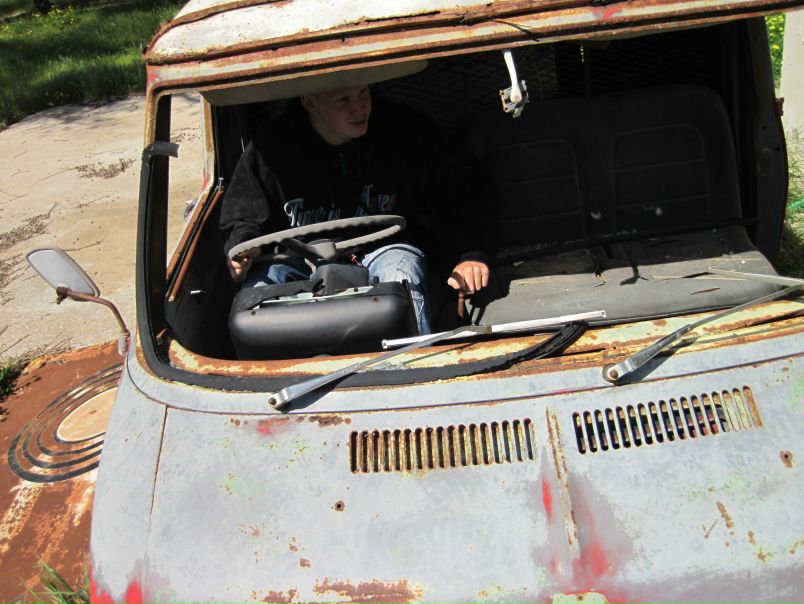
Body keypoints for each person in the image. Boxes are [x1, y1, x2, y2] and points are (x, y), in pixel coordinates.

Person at [219, 84, 490, 334]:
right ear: (310, 103)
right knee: (257, 293)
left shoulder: (403, 130)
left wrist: (471, 253)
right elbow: (245, 216)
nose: (359, 108)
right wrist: (244, 247)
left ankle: (415, 360)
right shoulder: (271, 146)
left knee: (402, 273)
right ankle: (271, 370)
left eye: (363, 93)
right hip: (298, 260)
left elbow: (460, 189)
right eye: (343, 100)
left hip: (385, 249)